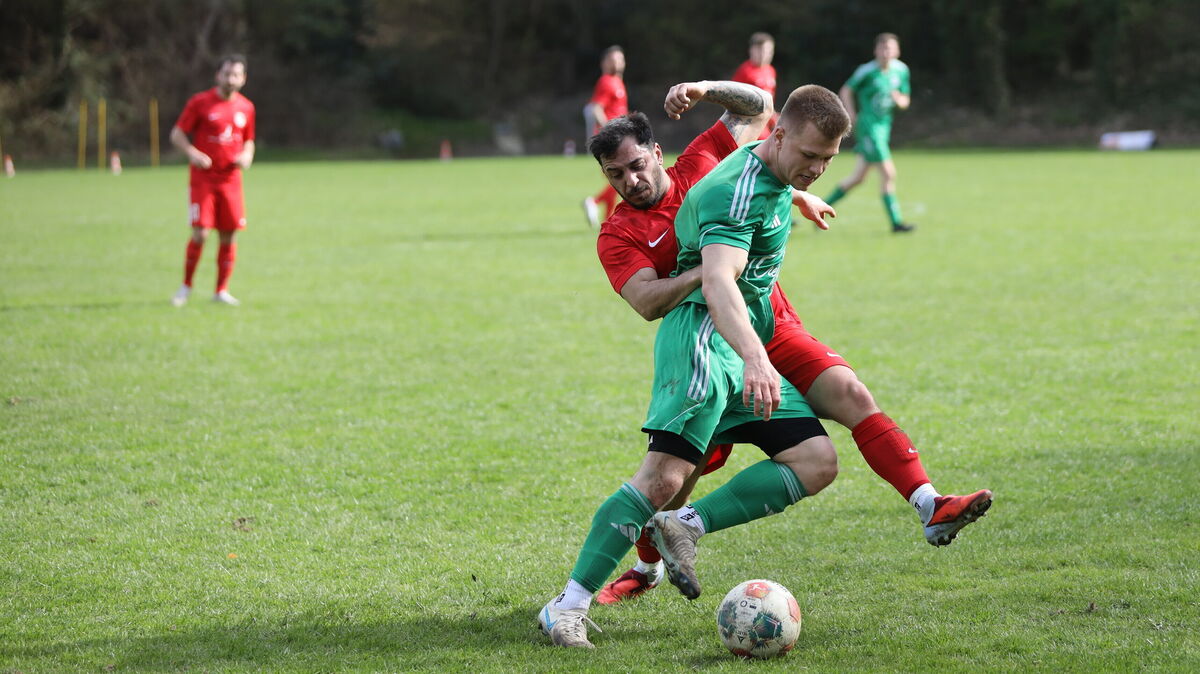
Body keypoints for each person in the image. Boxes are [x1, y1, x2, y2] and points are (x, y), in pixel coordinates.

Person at [589, 88, 991, 608]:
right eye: (615, 175)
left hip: (772, 322)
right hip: (711, 345)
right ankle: (646, 568)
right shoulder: (620, 231)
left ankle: (929, 503)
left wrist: (705, 92)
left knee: (849, 392)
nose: (631, 181)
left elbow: (757, 111)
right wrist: (711, 271)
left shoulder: (702, 162)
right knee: (673, 477)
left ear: (657, 153)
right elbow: (646, 301)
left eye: (636, 166)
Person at [170, 54, 256, 307]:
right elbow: (177, 134)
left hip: (231, 180)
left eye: (236, 75)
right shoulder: (200, 103)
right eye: (227, 73)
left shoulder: (246, 107)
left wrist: (247, 155)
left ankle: (221, 290)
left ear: (243, 79)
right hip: (203, 180)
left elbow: (249, 139)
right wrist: (193, 153)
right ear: (218, 75)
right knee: (201, 234)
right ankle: (186, 286)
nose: (231, 79)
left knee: (229, 235)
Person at [823, 33, 916, 233]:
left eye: (890, 49)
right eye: (882, 49)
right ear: (876, 51)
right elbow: (846, 90)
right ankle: (896, 223)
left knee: (858, 178)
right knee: (889, 173)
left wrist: (900, 101)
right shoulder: (867, 71)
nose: (886, 53)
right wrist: (851, 113)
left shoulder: (901, 70)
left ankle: (820, 208)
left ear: (897, 51)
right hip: (869, 128)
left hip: (884, 126)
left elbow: (905, 99)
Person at [582, 46, 628, 228]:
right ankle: (593, 202)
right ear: (604, 63)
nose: (617, 62)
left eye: (620, 59)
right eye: (613, 59)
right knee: (621, 177)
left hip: (619, 135)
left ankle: (608, 222)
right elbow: (596, 107)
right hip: (611, 138)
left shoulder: (618, 82)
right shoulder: (606, 81)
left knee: (616, 178)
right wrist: (609, 129)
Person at [731, 32, 778, 140]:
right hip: (748, 125)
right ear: (751, 50)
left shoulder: (771, 71)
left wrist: (774, 117)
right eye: (760, 50)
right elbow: (732, 100)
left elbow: (769, 101)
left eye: (768, 51)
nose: (764, 54)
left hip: (764, 125)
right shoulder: (745, 71)